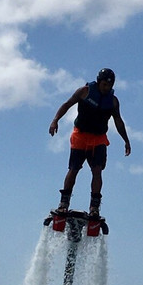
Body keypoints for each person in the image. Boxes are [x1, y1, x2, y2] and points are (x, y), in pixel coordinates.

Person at [48, 67, 131, 219]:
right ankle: (64, 204)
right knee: (73, 169)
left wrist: (126, 140)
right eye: (104, 85)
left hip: (98, 139)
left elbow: (118, 121)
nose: (107, 88)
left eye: (110, 85)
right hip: (80, 136)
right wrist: (55, 121)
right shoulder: (84, 91)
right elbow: (67, 104)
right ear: (99, 82)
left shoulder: (112, 101)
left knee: (97, 171)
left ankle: (94, 207)